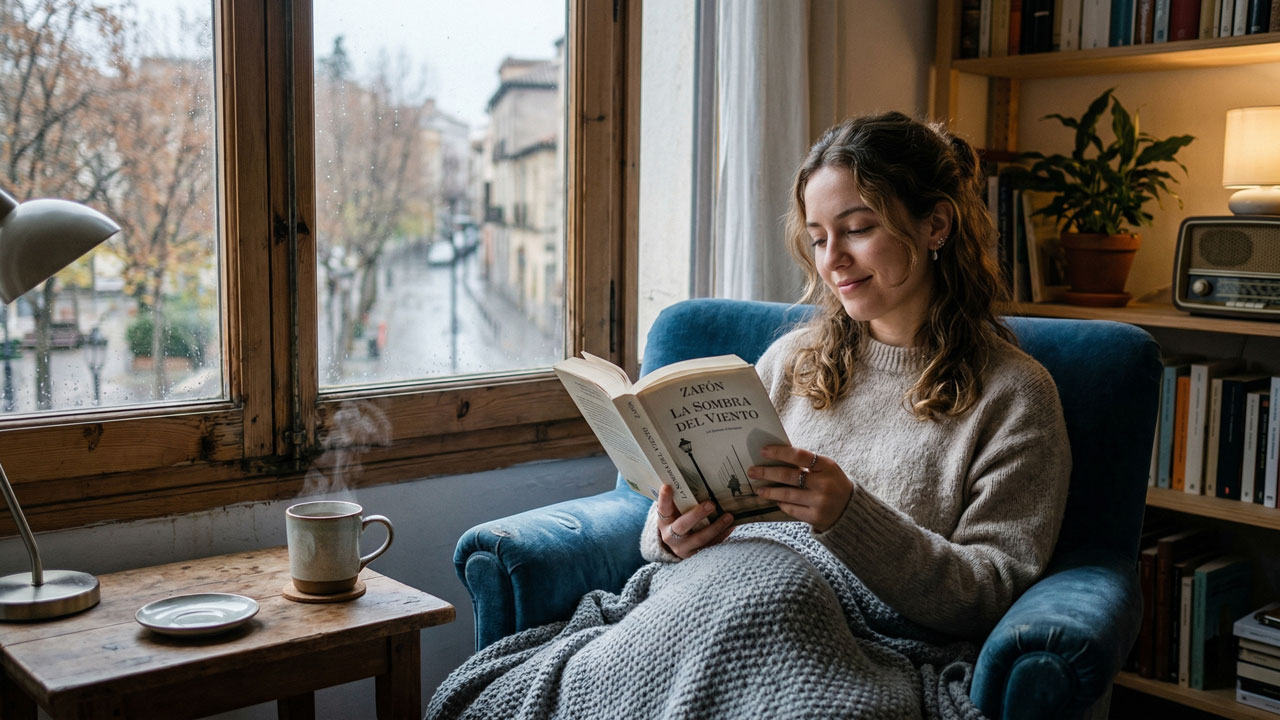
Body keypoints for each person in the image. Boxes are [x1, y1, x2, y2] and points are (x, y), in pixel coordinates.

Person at [428, 111, 1071, 720]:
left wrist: (850, 516)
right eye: (818, 239)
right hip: (712, 594)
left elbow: (989, 592)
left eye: (858, 228)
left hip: (845, 634)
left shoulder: (1014, 396)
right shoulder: (794, 359)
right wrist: (671, 536)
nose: (832, 261)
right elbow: (707, 515)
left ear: (936, 226)